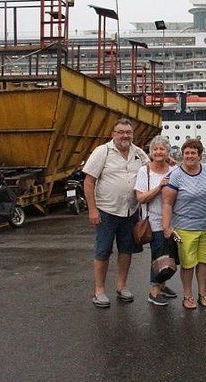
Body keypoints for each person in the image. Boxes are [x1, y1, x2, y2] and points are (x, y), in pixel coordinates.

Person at [83, 118, 150, 308]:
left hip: (130, 211)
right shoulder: (102, 151)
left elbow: (152, 168)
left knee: (126, 250)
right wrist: (92, 209)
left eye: (128, 132)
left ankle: (121, 286)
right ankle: (99, 291)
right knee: (103, 250)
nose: (124, 136)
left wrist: (169, 162)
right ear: (113, 134)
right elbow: (89, 182)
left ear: (132, 134)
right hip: (107, 211)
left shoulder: (138, 153)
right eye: (120, 132)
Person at [162, 139, 206, 310]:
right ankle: (188, 295)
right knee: (187, 264)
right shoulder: (176, 175)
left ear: (200, 156)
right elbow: (167, 203)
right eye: (187, 153)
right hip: (184, 228)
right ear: (182, 155)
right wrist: (166, 227)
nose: (190, 156)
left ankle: (202, 293)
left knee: (203, 262)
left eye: (194, 153)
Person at [134, 136, 177, 306]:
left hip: (173, 221)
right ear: (150, 152)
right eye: (155, 149)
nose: (158, 152)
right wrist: (159, 187)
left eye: (162, 149)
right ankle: (154, 291)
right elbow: (141, 197)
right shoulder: (144, 171)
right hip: (154, 221)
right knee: (159, 256)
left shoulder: (174, 169)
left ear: (168, 152)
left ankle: (162, 285)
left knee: (171, 255)